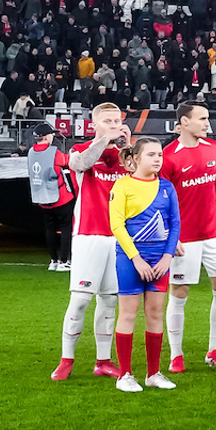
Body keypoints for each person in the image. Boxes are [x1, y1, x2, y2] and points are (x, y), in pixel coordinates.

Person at [152, 103, 216, 373]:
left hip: (214, 231)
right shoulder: (168, 156)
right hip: (184, 236)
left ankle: (214, 349)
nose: (207, 123)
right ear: (184, 122)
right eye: (202, 118)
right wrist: (170, 235)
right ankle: (176, 355)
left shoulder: (213, 147)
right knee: (180, 292)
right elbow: (162, 198)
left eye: (207, 118)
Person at [56, 104, 130, 380]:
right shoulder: (82, 149)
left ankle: (103, 361)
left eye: (117, 121)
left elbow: (143, 176)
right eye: (107, 121)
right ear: (94, 125)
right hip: (89, 234)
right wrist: (104, 140)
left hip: (120, 237)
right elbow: (78, 164)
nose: (114, 125)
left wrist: (127, 145)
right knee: (80, 300)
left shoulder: (125, 154)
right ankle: (66, 359)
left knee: (109, 300)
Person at [106, 136, 181, 393]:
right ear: (136, 158)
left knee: (156, 314)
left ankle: (153, 373)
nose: (158, 159)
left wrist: (167, 257)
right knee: (128, 314)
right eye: (151, 154)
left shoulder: (167, 187)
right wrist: (136, 259)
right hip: (131, 260)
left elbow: (175, 224)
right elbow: (117, 225)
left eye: (160, 154)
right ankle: (124, 375)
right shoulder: (122, 185)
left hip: (159, 261)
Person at [27, 125, 74, 271]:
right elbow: (68, 162)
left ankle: (53, 260)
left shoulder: (31, 152)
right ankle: (63, 261)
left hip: (42, 198)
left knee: (50, 229)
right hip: (60, 197)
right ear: (47, 136)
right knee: (66, 228)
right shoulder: (54, 152)